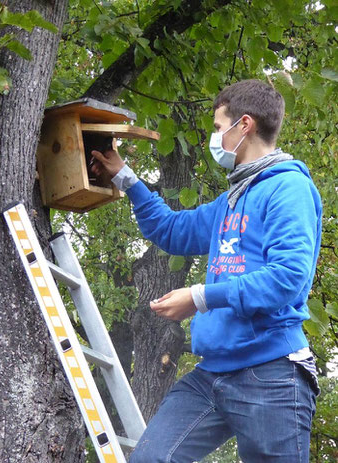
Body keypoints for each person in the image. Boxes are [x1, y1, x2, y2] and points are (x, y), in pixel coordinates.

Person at [91, 79, 322, 463]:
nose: (215, 138)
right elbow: (171, 230)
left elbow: (287, 278)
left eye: (218, 128)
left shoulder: (288, 188)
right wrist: (124, 177)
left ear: (244, 125)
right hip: (213, 373)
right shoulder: (229, 202)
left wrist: (200, 297)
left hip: (272, 375)